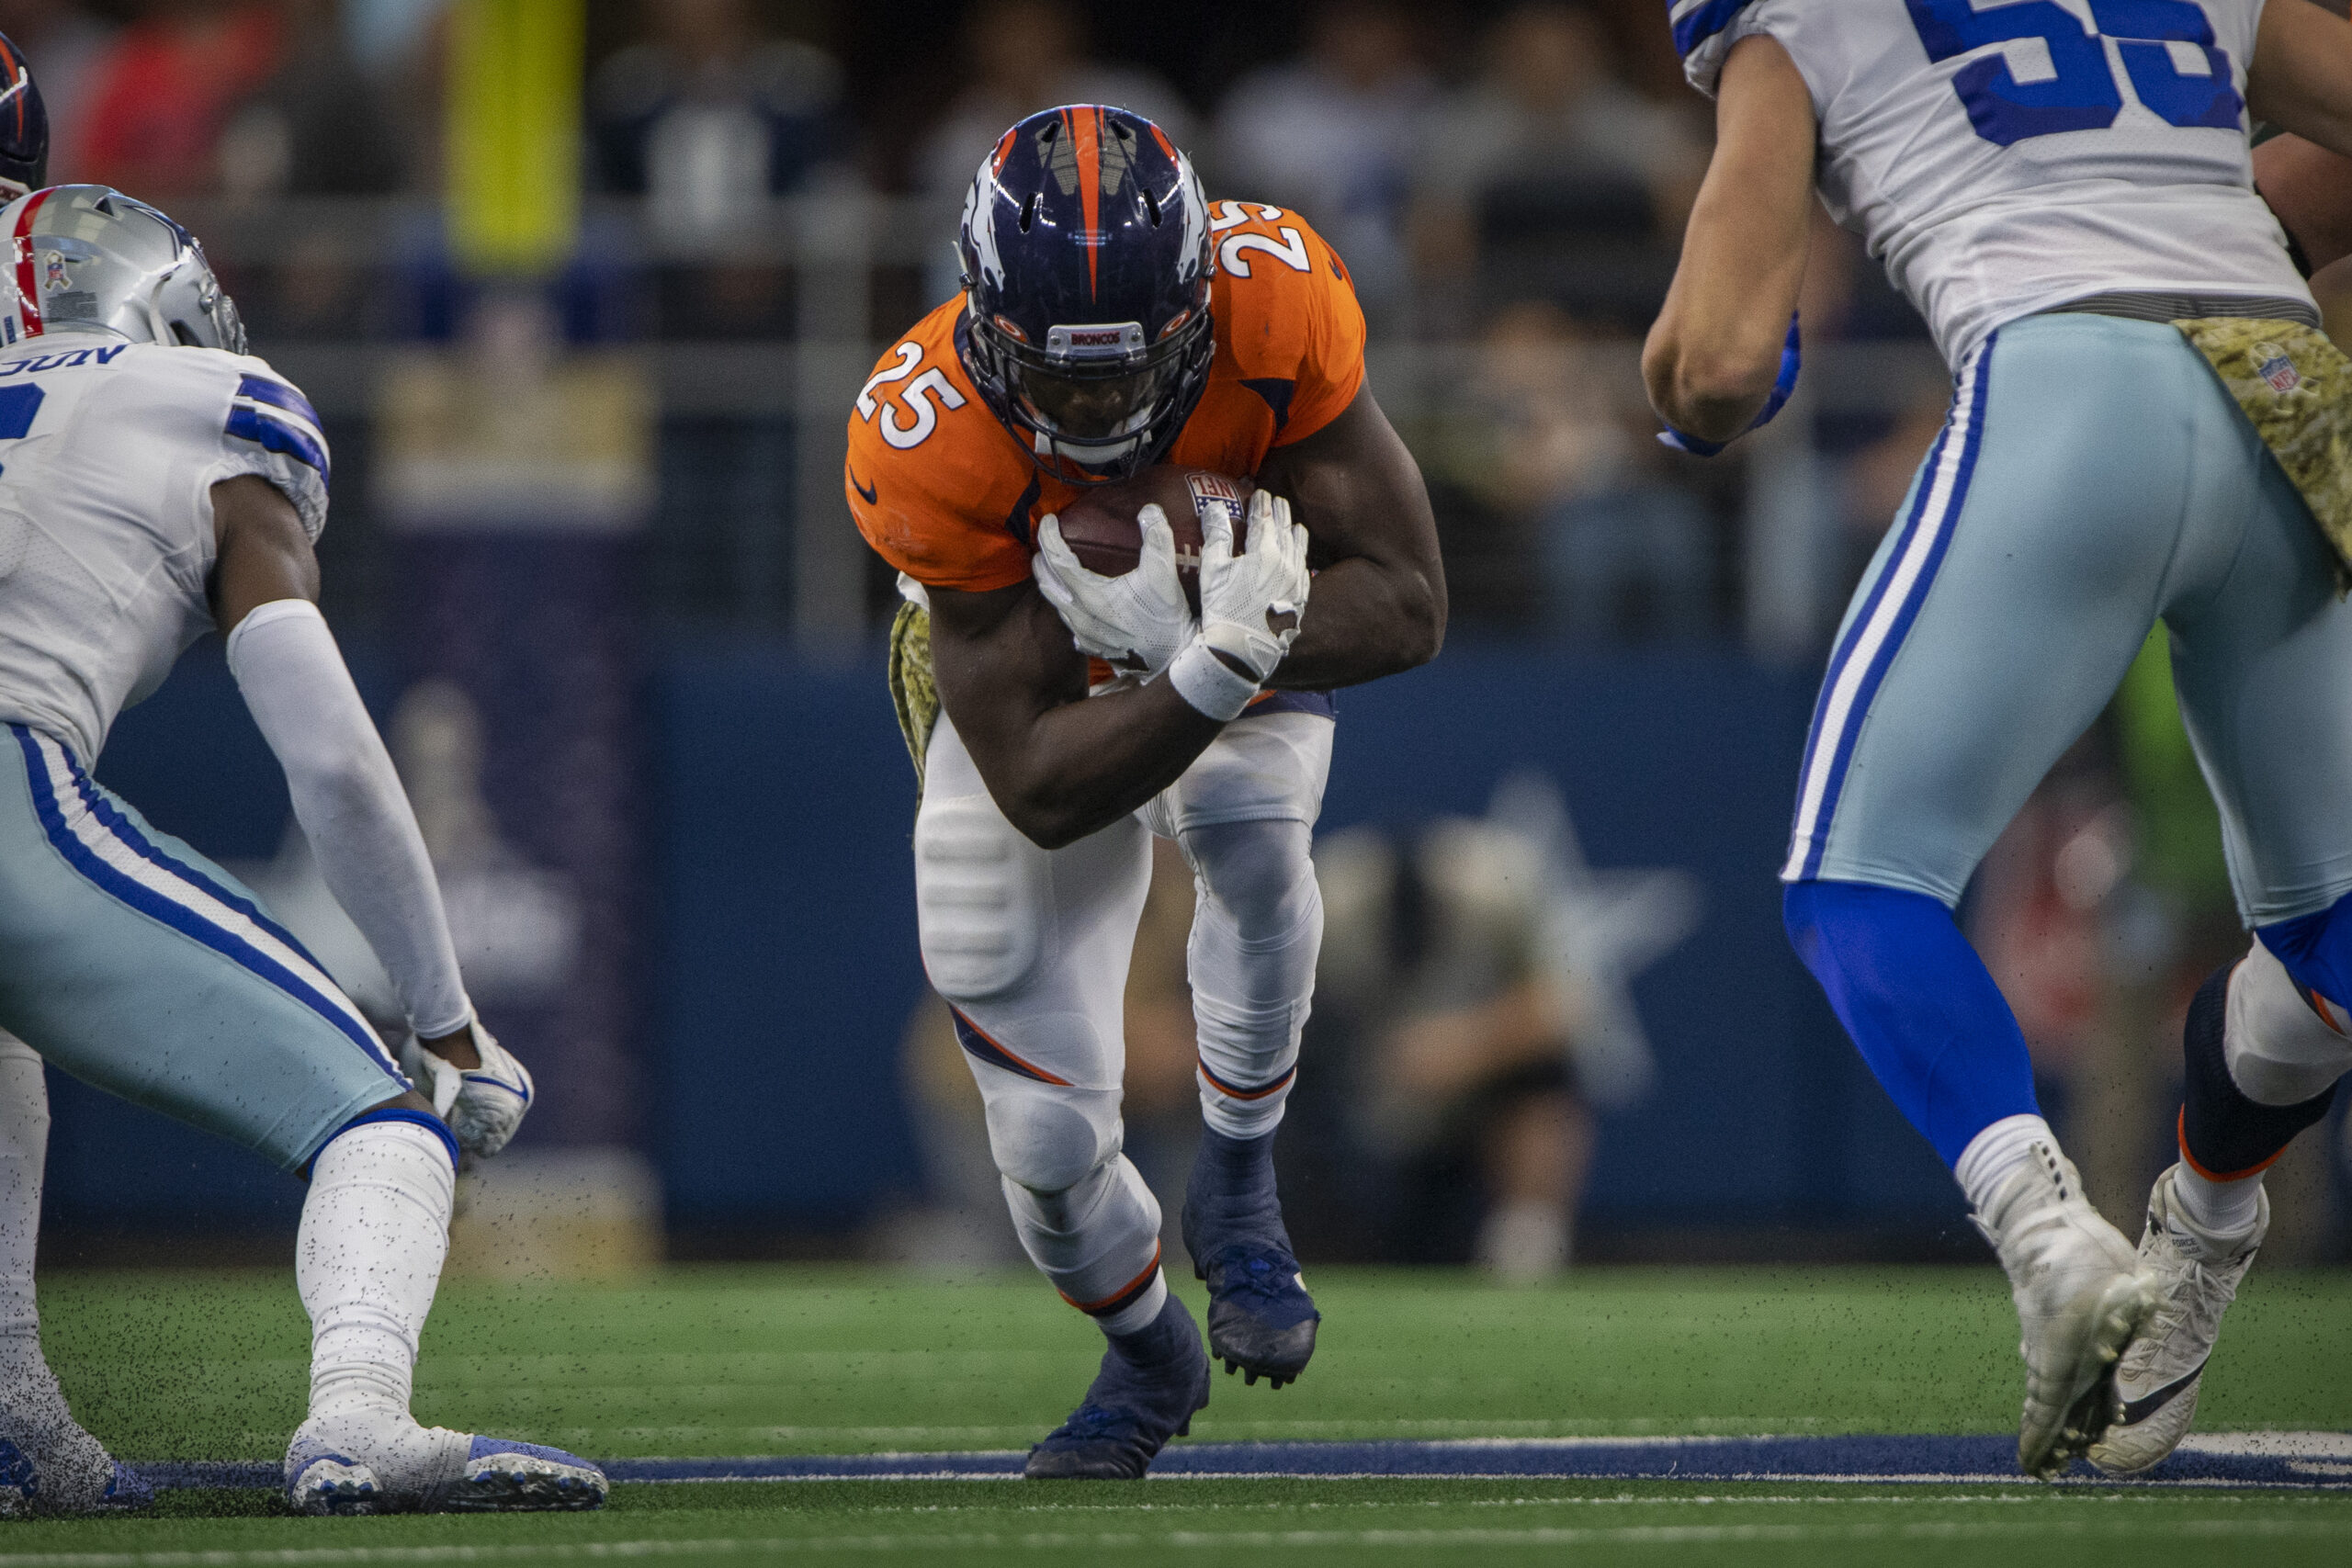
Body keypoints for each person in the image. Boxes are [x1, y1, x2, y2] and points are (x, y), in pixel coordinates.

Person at [1646, 0, 2352, 1479]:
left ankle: (2051, 1240)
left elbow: (1715, 359)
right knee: (2333, 935)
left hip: (2069, 371)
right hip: (2287, 378)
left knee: (1856, 880)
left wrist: (1699, 406)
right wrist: (2235, 228)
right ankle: (2210, 1230)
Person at [846, 106, 1442, 1479]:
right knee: (1046, 1137)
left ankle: (1238, 1178)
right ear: (986, 322)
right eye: (1062, 383)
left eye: (1133, 374)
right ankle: (1147, 1352)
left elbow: (1410, 603)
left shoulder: (1275, 294)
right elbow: (1043, 785)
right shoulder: (923, 429)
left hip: (1239, 608)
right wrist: (1210, 657)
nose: (1101, 414)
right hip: (1076, 684)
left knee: (1248, 825)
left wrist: (1227, 641)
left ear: (1194, 311)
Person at [0, 181, 603, 1514]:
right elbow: (329, 753)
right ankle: (358, 1422)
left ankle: (12, 1416)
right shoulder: (209, 403)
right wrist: (446, 1022)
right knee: (379, 1124)